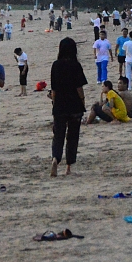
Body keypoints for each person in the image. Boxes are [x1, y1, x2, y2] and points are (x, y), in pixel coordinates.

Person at [48, 37, 88, 176]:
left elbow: (54, 90)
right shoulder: (76, 65)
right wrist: (83, 102)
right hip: (74, 105)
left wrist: (54, 103)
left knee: (58, 135)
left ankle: (55, 159)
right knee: (72, 136)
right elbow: (79, 88)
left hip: (60, 105)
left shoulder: (55, 65)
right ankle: (69, 167)